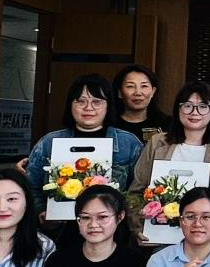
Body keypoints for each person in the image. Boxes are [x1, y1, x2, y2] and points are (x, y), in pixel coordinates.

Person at [24, 74, 143, 215]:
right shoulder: (49, 143)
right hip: (59, 225)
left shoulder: (128, 143)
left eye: (97, 102)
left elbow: (138, 191)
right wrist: (42, 211)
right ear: (70, 105)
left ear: (108, 106)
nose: (88, 108)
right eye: (81, 101)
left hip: (112, 224)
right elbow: (30, 187)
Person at [129, 81, 210, 200]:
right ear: (178, 109)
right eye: (188, 106)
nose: (195, 112)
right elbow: (135, 192)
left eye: (203, 106)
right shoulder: (157, 143)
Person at [112, 65, 170, 143]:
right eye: (130, 86)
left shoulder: (167, 124)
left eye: (144, 86)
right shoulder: (109, 125)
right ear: (119, 93)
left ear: (153, 92)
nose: (138, 93)